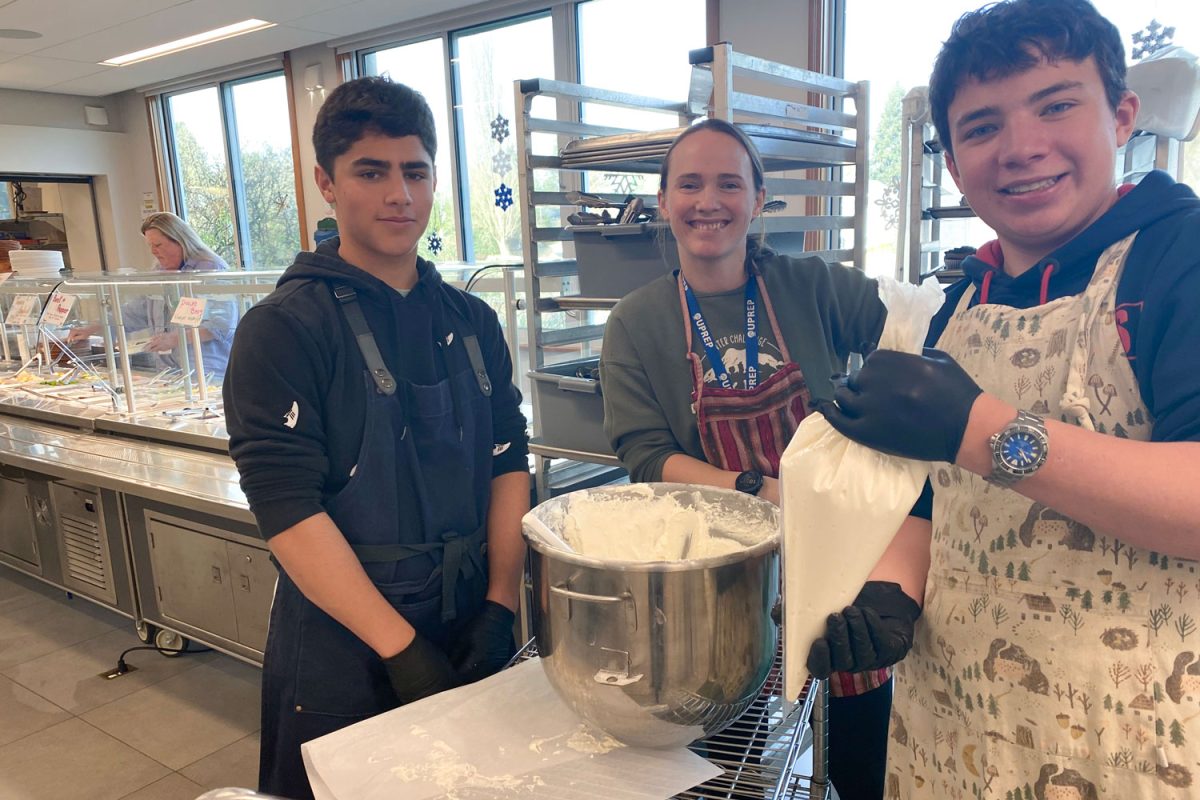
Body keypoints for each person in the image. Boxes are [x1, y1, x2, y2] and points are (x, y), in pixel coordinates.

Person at [808, 2, 1200, 797]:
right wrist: (890, 595)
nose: (1022, 148)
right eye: (982, 127)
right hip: (952, 729)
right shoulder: (961, 307)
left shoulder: (1176, 258)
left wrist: (983, 430)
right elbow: (932, 503)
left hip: (1126, 740)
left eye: (1057, 105)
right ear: (953, 163)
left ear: (1120, 115)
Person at [222, 77, 530, 800]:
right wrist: (401, 650)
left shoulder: (471, 321)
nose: (399, 194)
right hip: (345, 642)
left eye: (414, 171)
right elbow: (288, 511)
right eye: (371, 171)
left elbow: (508, 460)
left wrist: (500, 604)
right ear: (328, 184)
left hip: (467, 618)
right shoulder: (285, 330)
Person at [599, 118, 892, 799]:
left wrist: (877, 449)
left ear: (759, 199)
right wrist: (758, 488)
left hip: (836, 552)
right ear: (665, 200)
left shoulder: (812, 287)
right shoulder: (637, 322)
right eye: (690, 184)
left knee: (859, 731)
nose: (710, 201)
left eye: (730, 183)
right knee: (723, 747)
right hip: (718, 573)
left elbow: (907, 333)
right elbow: (646, 455)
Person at [66, 212, 235, 376]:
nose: (153, 251)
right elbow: (136, 311)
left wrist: (177, 339)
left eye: (158, 245)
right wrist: (93, 327)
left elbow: (223, 324)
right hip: (167, 371)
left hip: (207, 371)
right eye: (150, 246)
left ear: (180, 241)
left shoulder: (210, 269)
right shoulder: (159, 272)